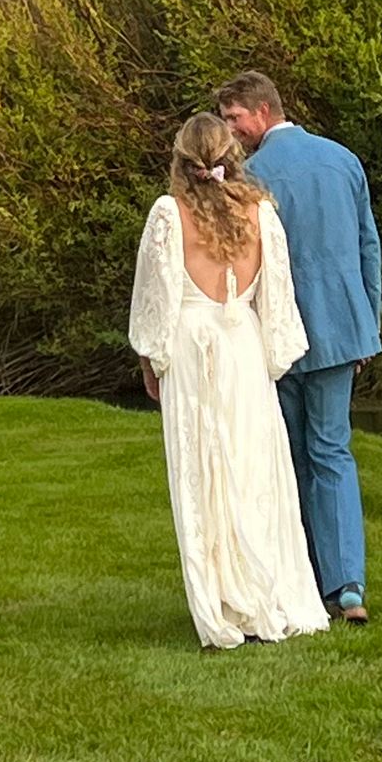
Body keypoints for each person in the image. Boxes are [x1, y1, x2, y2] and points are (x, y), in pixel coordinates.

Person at [128, 113, 331, 650]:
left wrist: (153, 360)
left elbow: (155, 300)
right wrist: (269, 355)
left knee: (202, 473)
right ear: (231, 157)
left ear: (181, 161)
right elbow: (280, 301)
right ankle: (263, 588)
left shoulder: (168, 214)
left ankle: (223, 600)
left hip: (195, 347)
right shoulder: (261, 214)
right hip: (242, 344)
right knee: (252, 469)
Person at [215, 72, 381, 625]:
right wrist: (368, 323)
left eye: (235, 118)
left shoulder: (252, 175)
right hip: (342, 326)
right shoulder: (343, 160)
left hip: (276, 333)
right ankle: (348, 584)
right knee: (332, 450)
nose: (231, 131)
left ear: (262, 111)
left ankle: (303, 578)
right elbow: (367, 246)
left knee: (288, 456)